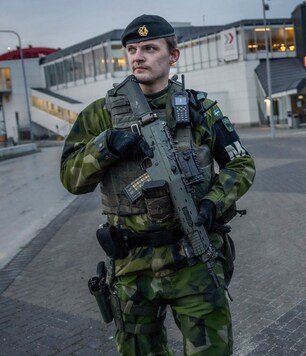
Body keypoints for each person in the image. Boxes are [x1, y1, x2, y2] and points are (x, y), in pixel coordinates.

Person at [60, 14, 255, 355]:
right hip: (131, 264)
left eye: (149, 48)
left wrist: (214, 202)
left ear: (173, 55)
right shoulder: (101, 114)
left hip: (193, 260)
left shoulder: (200, 109)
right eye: (132, 49)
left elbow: (241, 164)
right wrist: (105, 146)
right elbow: (71, 179)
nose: (138, 56)